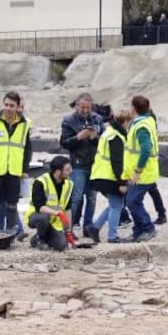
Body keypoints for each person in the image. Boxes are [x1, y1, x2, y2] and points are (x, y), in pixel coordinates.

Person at [0, 91, 32, 233]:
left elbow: (28, 149)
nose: (8, 108)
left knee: (12, 205)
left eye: (12, 105)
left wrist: (25, 170)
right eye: (6, 104)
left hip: (14, 171)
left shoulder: (25, 125)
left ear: (17, 107)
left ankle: (11, 234)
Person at [60, 93, 103, 236]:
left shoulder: (97, 119)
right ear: (77, 105)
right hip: (78, 164)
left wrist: (95, 138)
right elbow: (64, 143)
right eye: (82, 107)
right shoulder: (68, 121)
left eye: (88, 108)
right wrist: (78, 137)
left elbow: (105, 141)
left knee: (92, 197)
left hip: (94, 164)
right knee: (76, 198)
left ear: (92, 106)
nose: (85, 110)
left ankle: (88, 228)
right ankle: (69, 228)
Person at [88, 110, 132, 244]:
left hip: (101, 173)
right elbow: (117, 162)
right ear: (125, 121)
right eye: (129, 122)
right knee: (116, 206)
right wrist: (122, 182)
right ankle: (112, 237)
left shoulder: (109, 132)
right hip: (109, 175)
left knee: (114, 205)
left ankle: (95, 227)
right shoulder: (116, 136)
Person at [123, 95, 159, 242]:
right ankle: (137, 232)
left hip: (143, 173)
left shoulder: (141, 126)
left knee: (132, 201)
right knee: (133, 201)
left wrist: (138, 171)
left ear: (133, 108)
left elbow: (146, 149)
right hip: (144, 171)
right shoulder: (147, 121)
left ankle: (148, 227)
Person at [25, 156, 76, 251]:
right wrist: (57, 213)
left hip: (54, 222)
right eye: (67, 169)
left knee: (62, 245)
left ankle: (40, 237)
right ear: (57, 172)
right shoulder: (40, 182)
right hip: (36, 216)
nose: (70, 171)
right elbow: (39, 207)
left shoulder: (69, 184)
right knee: (43, 217)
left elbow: (67, 209)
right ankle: (40, 239)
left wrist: (69, 232)